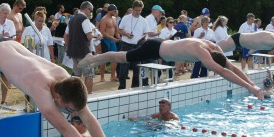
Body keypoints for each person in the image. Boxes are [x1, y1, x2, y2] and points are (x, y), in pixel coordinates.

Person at [79, 38, 264, 99]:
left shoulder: (214, 48)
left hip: (161, 45)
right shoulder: (201, 51)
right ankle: (92, 58)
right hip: (154, 48)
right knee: (122, 58)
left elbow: (231, 67)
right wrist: (248, 88)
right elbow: (224, 72)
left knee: (122, 58)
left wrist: (252, 85)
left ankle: (93, 60)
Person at [117, 0, 149, 90]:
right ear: (133, 9)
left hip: (137, 46)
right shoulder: (126, 18)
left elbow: (146, 33)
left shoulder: (144, 21)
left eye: (140, 10)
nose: (138, 12)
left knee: (137, 68)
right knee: (123, 67)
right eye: (137, 10)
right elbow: (119, 30)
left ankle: (134, 88)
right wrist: (126, 34)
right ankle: (121, 87)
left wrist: (145, 39)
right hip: (125, 44)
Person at [64, 1, 95, 93]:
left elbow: (65, 36)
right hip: (84, 52)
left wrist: (69, 48)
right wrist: (94, 33)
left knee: (77, 76)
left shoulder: (72, 19)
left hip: (73, 52)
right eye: (91, 10)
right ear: (86, 9)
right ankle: (89, 97)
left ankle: (76, 97)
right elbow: (89, 37)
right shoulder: (85, 19)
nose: (91, 13)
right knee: (89, 75)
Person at [98, 4, 120, 82]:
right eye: (115, 11)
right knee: (104, 59)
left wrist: (119, 38)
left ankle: (112, 76)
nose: (116, 12)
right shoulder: (104, 19)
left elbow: (116, 31)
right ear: (111, 11)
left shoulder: (114, 19)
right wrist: (112, 38)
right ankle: (102, 77)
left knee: (114, 58)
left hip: (112, 40)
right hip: (105, 40)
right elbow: (102, 32)